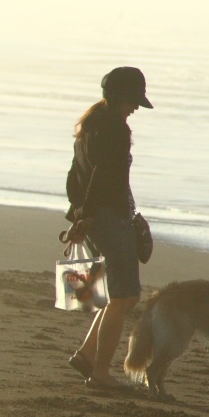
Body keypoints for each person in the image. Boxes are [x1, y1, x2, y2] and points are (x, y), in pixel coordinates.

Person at [65, 66, 153, 389]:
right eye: (133, 101)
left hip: (94, 218)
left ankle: (88, 355)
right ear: (121, 98)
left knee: (118, 296)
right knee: (125, 294)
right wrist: (88, 213)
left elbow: (75, 177)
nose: (135, 109)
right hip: (109, 219)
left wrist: (78, 214)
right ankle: (100, 374)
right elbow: (103, 176)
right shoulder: (115, 129)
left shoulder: (89, 125)